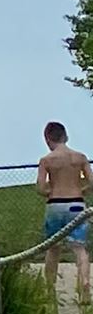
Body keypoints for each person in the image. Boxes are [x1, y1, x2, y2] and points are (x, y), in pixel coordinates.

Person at [40, 121, 91, 301]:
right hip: (77, 203)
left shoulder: (47, 160)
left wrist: (51, 190)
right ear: (66, 136)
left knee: (53, 249)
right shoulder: (80, 158)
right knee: (80, 248)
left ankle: (49, 289)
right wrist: (81, 190)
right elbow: (91, 182)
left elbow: (40, 187)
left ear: (47, 139)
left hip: (55, 203)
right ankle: (84, 283)